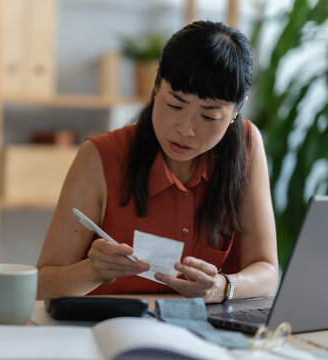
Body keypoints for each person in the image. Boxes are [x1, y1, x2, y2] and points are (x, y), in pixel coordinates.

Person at [36, 20, 279, 303]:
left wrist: (223, 287)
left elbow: (268, 270)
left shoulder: (247, 145)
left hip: (204, 334)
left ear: (237, 111)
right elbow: (41, 286)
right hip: (110, 329)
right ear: (156, 87)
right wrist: (92, 271)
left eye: (209, 116)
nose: (185, 129)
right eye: (175, 105)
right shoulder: (100, 156)